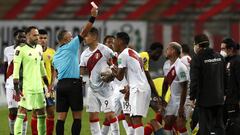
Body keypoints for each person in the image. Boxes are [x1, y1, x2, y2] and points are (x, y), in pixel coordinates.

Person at [52, 7, 98, 135]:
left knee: (61, 118)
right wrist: (93, 17)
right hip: (73, 85)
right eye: (70, 37)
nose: (73, 38)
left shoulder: (56, 55)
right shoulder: (71, 46)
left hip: (60, 85)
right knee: (77, 117)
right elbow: (84, 31)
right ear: (66, 40)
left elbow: (58, 70)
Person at [80, 28, 120, 135]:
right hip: (92, 89)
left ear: (94, 37)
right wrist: (79, 78)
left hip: (106, 88)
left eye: (86, 36)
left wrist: (112, 70)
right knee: (93, 116)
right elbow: (82, 70)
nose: (84, 38)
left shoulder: (105, 50)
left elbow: (117, 63)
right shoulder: (84, 54)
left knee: (110, 115)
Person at [112, 32, 151, 135]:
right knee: (134, 118)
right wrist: (129, 89)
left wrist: (111, 67)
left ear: (120, 41)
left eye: (114, 40)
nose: (113, 43)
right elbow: (135, 73)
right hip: (140, 87)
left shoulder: (123, 55)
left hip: (138, 88)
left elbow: (120, 77)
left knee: (136, 119)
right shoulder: (133, 52)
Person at [13, 26, 49, 135]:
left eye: (38, 35)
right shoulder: (20, 49)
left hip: (39, 87)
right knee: (22, 111)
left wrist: (48, 85)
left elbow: (42, 68)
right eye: (35, 35)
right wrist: (16, 89)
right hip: (27, 87)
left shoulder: (39, 48)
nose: (37, 37)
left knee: (42, 112)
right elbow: (16, 71)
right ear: (28, 35)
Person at [190, 34, 225, 135]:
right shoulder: (219, 56)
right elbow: (225, 77)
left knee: (205, 127)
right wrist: (224, 93)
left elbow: (194, 80)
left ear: (198, 46)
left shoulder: (197, 59)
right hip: (219, 98)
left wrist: (192, 97)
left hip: (204, 100)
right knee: (219, 126)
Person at [101, 35, 131, 135]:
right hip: (112, 91)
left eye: (113, 42)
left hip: (125, 89)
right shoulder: (101, 58)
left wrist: (111, 67)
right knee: (109, 117)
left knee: (128, 116)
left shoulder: (119, 55)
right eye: (109, 42)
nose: (111, 44)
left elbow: (119, 72)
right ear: (104, 44)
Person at [31, 29, 56, 135]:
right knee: (36, 113)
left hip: (48, 87)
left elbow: (54, 69)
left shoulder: (52, 52)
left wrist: (51, 84)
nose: (43, 40)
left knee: (51, 112)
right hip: (36, 86)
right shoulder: (31, 51)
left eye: (45, 38)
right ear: (37, 38)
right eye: (41, 38)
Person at [162, 42, 189, 135]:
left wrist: (181, 107)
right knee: (168, 121)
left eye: (168, 48)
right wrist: (162, 97)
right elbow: (165, 83)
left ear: (173, 51)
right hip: (173, 99)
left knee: (180, 124)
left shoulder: (181, 67)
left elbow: (184, 88)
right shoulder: (168, 65)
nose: (166, 50)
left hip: (182, 100)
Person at [4, 29, 27, 135]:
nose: (22, 39)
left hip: (25, 84)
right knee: (12, 111)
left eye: (24, 37)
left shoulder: (28, 50)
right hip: (10, 84)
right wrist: (6, 81)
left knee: (23, 111)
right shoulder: (7, 50)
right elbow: (6, 66)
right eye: (20, 37)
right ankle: (13, 133)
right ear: (15, 38)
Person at [139, 42, 165, 135]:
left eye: (160, 54)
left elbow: (148, 78)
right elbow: (147, 78)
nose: (158, 56)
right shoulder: (144, 56)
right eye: (158, 53)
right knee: (135, 118)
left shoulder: (145, 58)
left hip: (141, 90)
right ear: (152, 50)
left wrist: (157, 95)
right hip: (137, 90)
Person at [221, 38, 240, 135]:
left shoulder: (237, 61)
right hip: (226, 100)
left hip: (234, 100)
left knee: (234, 125)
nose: (221, 51)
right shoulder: (226, 61)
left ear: (231, 49)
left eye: (223, 48)